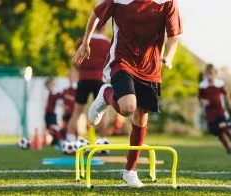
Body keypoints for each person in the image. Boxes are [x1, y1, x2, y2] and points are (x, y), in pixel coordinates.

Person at [73, 0, 182, 187]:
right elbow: (95, 15)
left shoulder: (167, 2)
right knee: (128, 107)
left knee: (141, 117)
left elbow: (174, 35)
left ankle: (130, 170)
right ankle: (107, 93)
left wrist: (169, 56)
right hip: (122, 60)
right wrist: (85, 43)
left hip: (151, 67)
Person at [66, 23, 111, 145]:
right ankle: (102, 139)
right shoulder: (107, 43)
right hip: (99, 79)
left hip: (83, 78)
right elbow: (110, 62)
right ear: (103, 28)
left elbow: (75, 60)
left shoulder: (83, 40)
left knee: (77, 111)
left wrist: (81, 69)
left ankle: (70, 139)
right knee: (102, 111)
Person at [199, 64, 231, 155]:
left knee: (222, 125)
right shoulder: (203, 85)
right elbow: (200, 97)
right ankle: (228, 147)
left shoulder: (219, 83)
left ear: (214, 74)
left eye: (211, 74)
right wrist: (204, 101)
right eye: (208, 74)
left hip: (220, 110)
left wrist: (230, 101)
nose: (209, 76)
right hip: (209, 112)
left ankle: (229, 132)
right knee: (216, 132)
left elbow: (225, 93)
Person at [44, 77, 65, 146]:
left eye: (50, 85)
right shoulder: (49, 93)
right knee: (49, 128)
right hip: (48, 114)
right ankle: (55, 141)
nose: (49, 87)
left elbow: (62, 96)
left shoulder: (55, 93)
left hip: (52, 114)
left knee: (53, 128)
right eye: (48, 86)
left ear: (53, 85)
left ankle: (61, 140)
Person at [60, 71, 78, 139]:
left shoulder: (77, 89)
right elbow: (63, 100)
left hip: (74, 112)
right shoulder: (66, 90)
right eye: (69, 77)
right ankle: (67, 139)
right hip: (66, 112)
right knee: (65, 127)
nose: (70, 78)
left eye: (71, 77)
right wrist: (63, 107)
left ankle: (74, 139)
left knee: (74, 127)